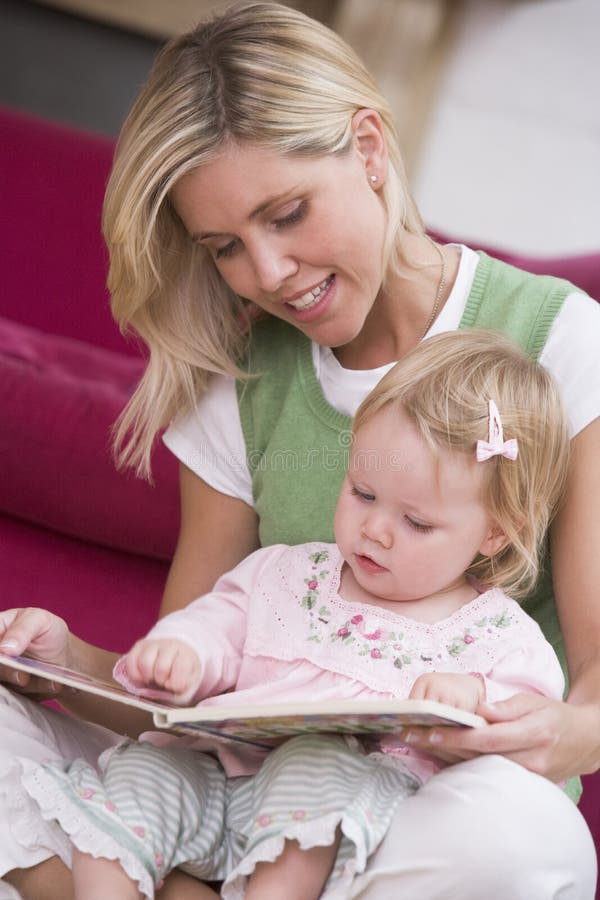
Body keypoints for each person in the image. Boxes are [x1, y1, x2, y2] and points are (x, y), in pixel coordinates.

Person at [0, 2, 599, 898]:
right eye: (226, 247)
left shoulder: (560, 339)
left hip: (422, 802)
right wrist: (61, 660)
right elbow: (184, 687)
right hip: (233, 789)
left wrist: (550, 732)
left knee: (524, 840)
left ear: (367, 149)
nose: (268, 274)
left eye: (286, 214)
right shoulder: (239, 374)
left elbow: (593, 686)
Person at [16, 331, 572, 900]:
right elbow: (220, 621)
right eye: (362, 492)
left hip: (339, 818)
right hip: (212, 775)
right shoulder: (288, 574)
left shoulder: (496, 634)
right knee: (135, 773)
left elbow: (528, 720)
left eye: (417, 523)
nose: (375, 530)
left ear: (497, 532)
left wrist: (469, 699)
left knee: (318, 762)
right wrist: (181, 652)